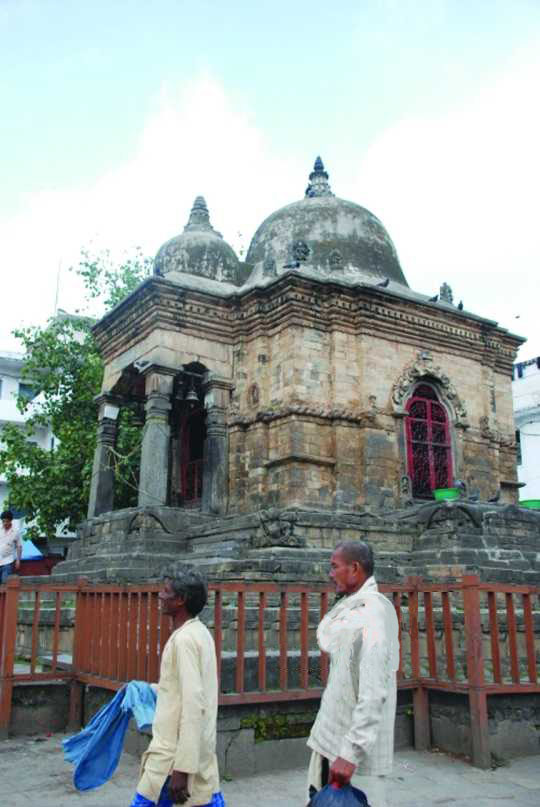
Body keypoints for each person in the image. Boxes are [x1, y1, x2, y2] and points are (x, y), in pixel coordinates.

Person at [307, 541, 399, 807]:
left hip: (350, 754)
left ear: (355, 568)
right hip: (332, 738)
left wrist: (351, 753)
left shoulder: (373, 615)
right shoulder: (354, 608)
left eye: (335, 567)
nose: (330, 573)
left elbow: (373, 692)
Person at [130, 569, 223, 807]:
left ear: (180, 600)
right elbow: (183, 692)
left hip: (173, 761)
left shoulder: (184, 641)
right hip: (194, 755)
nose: (160, 595)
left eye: (166, 591)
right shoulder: (199, 633)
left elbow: (193, 705)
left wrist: (182, 768)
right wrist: (148, 690)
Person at [0, 510, 22, 584]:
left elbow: (19, 546)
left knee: (5, 583)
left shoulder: (16, 532)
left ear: (10, 521)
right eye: (3, 521)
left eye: (6, 521)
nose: (5, 523)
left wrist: (18, 560)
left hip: (8, 562)